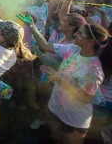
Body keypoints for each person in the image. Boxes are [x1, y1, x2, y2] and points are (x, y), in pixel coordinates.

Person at [22, 12, 111, 144]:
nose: (75, 34)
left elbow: (86, 97)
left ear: (90, 42)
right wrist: (31, 25)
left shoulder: (94, 69)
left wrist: (59, 79)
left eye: (80, 34)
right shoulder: (73, 49)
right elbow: (45, 46)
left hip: (74, 120)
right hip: (56, 108)